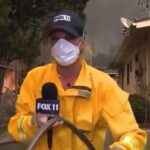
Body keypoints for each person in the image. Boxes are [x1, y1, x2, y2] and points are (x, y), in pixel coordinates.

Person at [8, 10, 147, 150]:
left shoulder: (102, 84)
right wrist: (34, 122)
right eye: (56, 38)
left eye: (69, 37)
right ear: (50, 43)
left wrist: (122, 148)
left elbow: (133, 134)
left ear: (81, 42)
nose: (62, 44)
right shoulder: (34, 79)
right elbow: (15, 128)